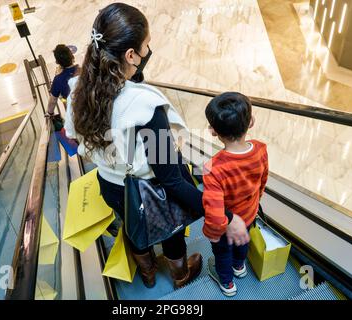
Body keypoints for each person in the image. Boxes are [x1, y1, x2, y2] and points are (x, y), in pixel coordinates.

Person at [65, 3, 243, 290]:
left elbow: (72, 136)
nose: (149, 51)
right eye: (147, 45)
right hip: (150, 190)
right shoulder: (145, 107)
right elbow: (171, 179)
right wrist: (225, 216)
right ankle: (180, 274)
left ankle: (147, 274)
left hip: (110, 185)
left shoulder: (76, 88)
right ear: (131, 55)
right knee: (170, 230)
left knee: (133, 225)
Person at [202, 92, 269, 296]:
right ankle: (239, 267)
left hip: (226, 226)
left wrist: (213, 235)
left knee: (222, 254)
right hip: (249, 215)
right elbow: (262, 180)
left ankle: (227, 284)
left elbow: (214, 213)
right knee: (243, 242)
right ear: (251, 122)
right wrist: (255, 203)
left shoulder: (213, 168)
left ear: (213, 131)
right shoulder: (260, 149)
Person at [46, 44, 80, 116]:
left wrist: (50, 113)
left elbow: (53, 101)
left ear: (57, 62)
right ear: (72, 56)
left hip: (76, 115)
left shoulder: (58, 80)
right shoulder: (84, 70)